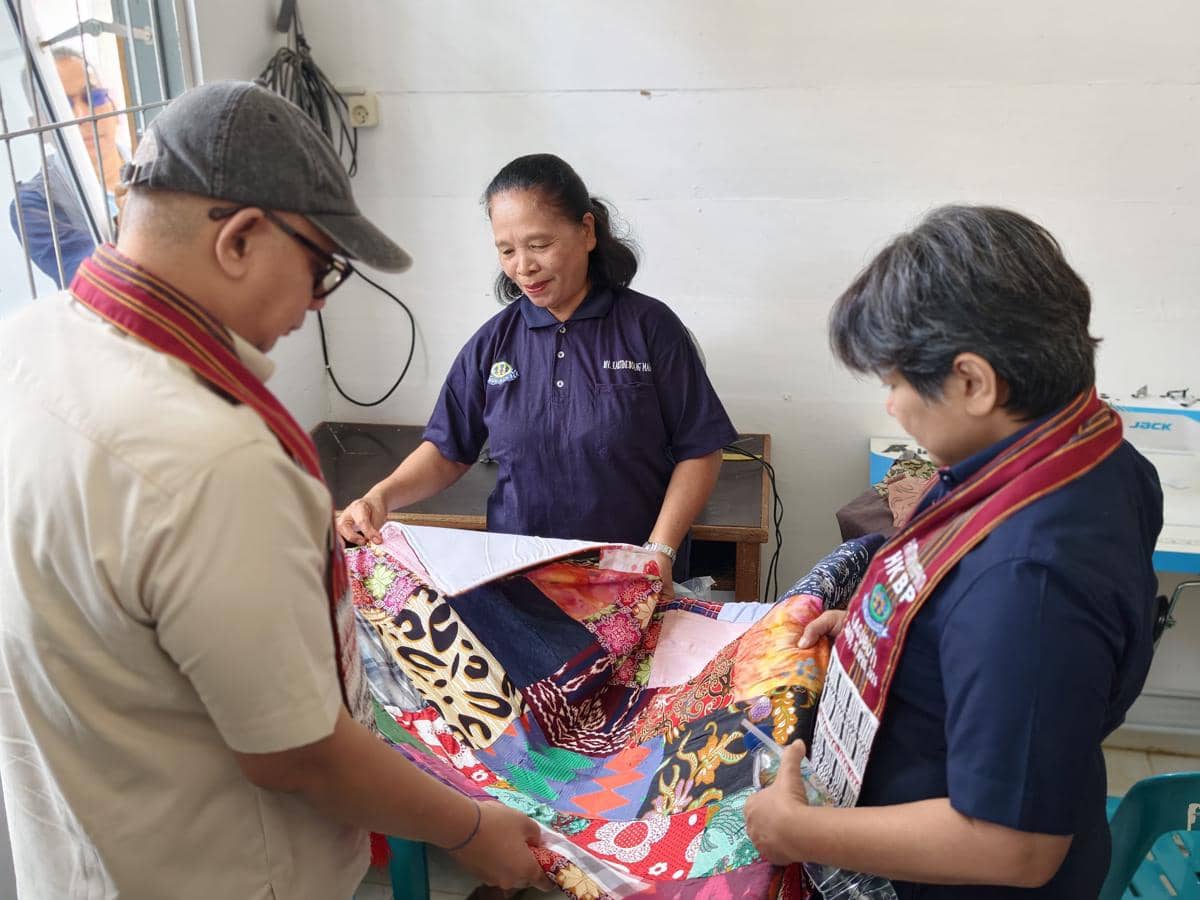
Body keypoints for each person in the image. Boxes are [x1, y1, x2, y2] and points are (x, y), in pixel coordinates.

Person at [0, 81, 547, 898]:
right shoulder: (212, 455)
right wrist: (470, 828)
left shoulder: (28, 345)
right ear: (242, 240)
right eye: (322, 266)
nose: (314, 304)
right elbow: (297, 752)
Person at [744, 205, 1163, 899]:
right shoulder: (1091, 449)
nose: (891, 406)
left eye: (895, 384)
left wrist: (796, 829)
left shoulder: (1028, 581)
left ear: (973, 382)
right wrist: (901, 636)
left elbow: (1012, 846)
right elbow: (1022, 658)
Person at [337, 153, 737, 590]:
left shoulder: (649, 327)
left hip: (631, 578)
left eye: (539, 245)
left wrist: (659, 550)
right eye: (506, 250)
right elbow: (448, 450)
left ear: (586, 231)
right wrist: (380, 497)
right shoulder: (494, 342)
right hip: (521, 579)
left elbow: (700, 449)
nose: (522, 266)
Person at [8, 46, 126, 287]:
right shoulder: (34, 204)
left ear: (114, 107)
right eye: (59, 106)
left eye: (93, 97)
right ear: (39, 127)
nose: (82, 116)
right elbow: (99, 279)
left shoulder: (160, 166)